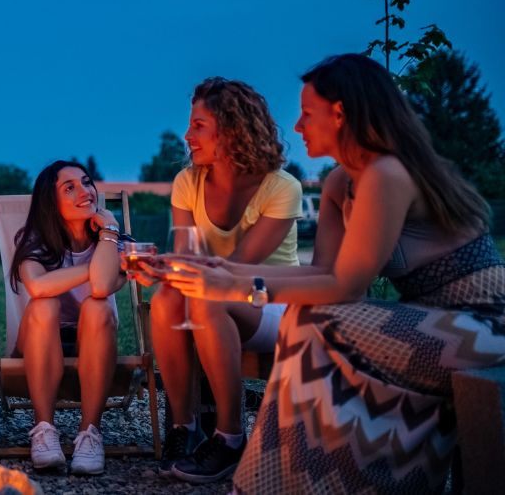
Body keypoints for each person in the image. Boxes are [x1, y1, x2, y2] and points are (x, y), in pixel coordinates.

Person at [165, 54, 505, 494]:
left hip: (483, 325)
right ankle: (300, 478)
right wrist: (223, 269)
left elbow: (347, 286)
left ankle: (284, 481)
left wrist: (235, 284)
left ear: (340, 114)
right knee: (303, 317)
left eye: (308, 113)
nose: (298, 126)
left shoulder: (386, 173)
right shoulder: (340, 183)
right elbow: (323, 271)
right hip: (427, 319)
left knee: (313, 320)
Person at [131, 78, 302, 483]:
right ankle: (184, 428)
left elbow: (240, 269)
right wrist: (161, 269)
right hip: (210, 296)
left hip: (272, 302)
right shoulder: (188, 182)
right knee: (168, 297)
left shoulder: (281, 187)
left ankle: (230, 437)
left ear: (232, 129)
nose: (187, 135)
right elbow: (188, 258)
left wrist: (179, 269)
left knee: (206, 297)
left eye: (199, 125)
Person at [10, 160, 127, 475]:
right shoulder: (33, 240)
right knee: (43, 304)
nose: (85, 192)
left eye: (86, 183)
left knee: (98, 306)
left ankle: (90, 434)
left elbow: (102, 286)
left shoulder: (113, 241)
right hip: (40, 340)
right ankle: (44, 430)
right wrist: (94, 267)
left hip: (94, 339)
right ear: (51, 201)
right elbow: (37, 286)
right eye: (70, 188)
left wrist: (110, 231)